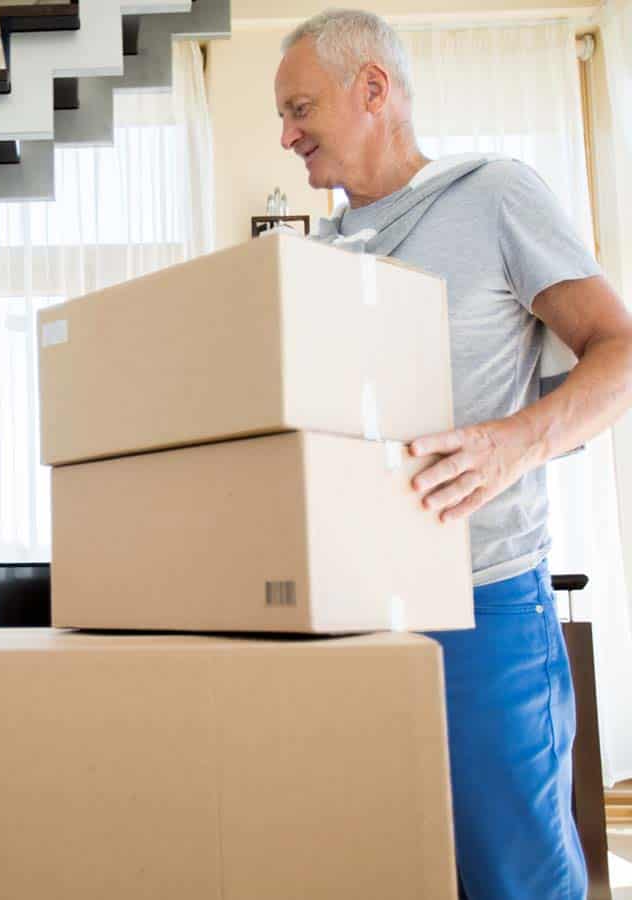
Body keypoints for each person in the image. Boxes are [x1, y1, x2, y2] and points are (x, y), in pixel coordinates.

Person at [275, 11, 632, 898]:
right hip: (349, 618)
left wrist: (515, 444)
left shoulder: (494, 194)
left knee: (509, 877)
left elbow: (618, 349)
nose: (287, 136)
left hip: (483, 607)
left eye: (300, 108)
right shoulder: (315, 257)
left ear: (373, 90)